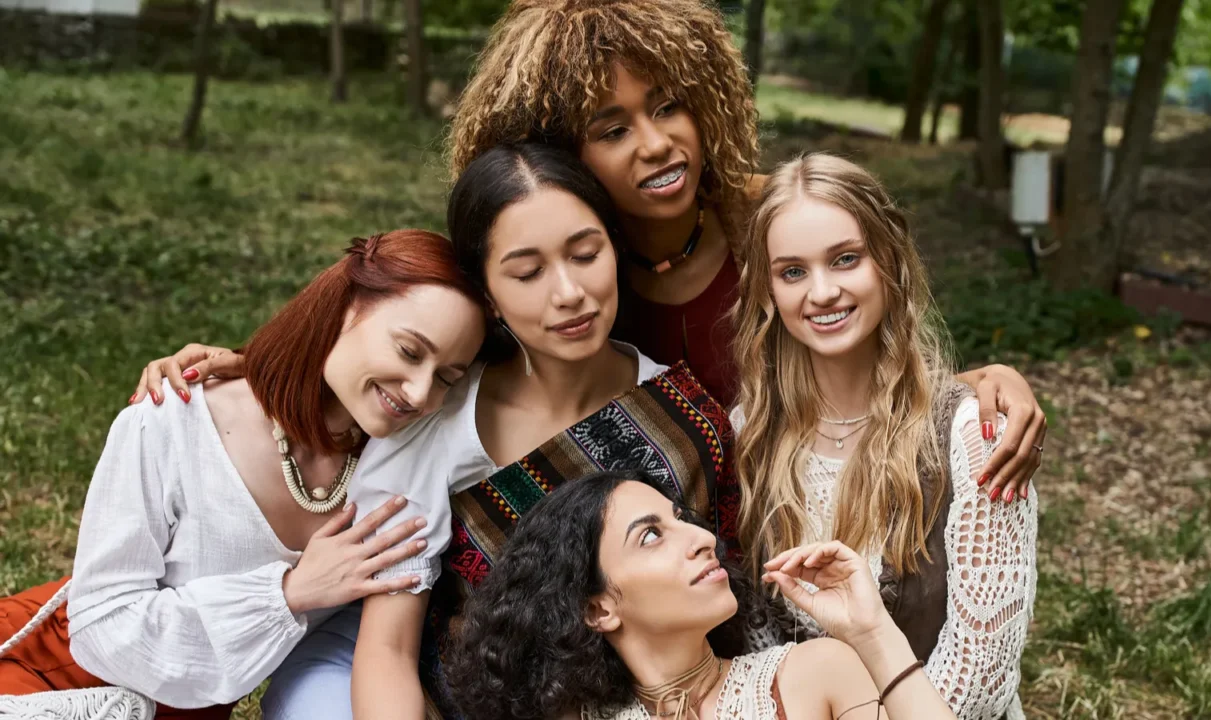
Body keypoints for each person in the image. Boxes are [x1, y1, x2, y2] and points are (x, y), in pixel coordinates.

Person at [139, 0, 1044, 503]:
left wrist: (984, 382)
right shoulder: (542, 278)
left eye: (668, 106)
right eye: (612, 128)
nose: (656, 145)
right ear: (560, 151)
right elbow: (397, 323)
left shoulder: (768, 224)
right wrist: (256, 365)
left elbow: (868, 329)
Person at [258, 145, 739, 720]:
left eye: (586, 254)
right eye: (528, 273)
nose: (568, 293)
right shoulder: (436, 423)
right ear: (487, 296)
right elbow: (388, 648)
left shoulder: (679, 419)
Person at [0, 231, 485, 718]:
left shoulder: (396, 472)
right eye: (408, 351)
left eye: (447, 377)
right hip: (48, 673)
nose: (421, 393)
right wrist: (290, 594)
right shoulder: (177, 417)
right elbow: (100, 629)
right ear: (345, 308)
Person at [731, 154, 1038, 718]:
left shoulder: (973, 436)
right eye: (792, 271)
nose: (821, 292)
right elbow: (762, 645)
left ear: (888, 261)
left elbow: (980, 685)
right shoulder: (751, 433)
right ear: (768, 290)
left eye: (845, 260)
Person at [448, 469, 959, 720]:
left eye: (680, 519)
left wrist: (871, 632)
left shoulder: (810, 674)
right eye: (651, 535)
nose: (703, 538)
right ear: (598, 608)